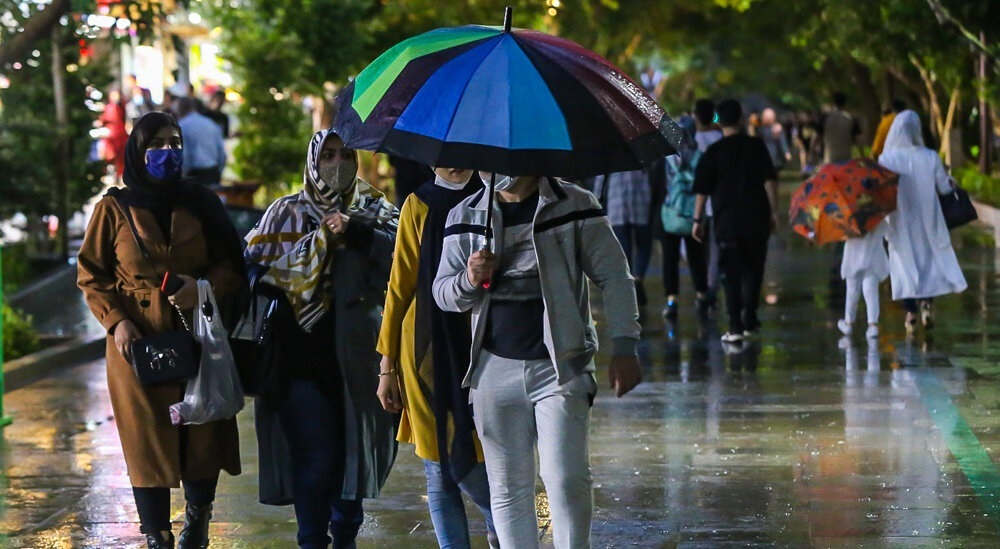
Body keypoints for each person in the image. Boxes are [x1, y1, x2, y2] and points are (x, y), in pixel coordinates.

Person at [433, 173, 642, 549]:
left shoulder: (575, 205)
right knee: (508, 486)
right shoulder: (465, 214)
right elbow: (443, 293)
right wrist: (469, 277)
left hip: (561, 366)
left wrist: (624, 346)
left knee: (565, 478)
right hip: (493, 368)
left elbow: (614, 276)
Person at [77, 112, 249, 549]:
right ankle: (156, 536)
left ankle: (198, 518)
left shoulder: (200, 202)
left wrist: (203, 287)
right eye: (157, 143)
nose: (167, 152)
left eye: (175, 142)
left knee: (202, 427)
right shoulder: (113, 208)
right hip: (137, 342)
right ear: (137, 149)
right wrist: (116, 323)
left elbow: (233, 264)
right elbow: (91, 274)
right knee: (146, 437)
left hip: (197, 332)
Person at [244, 129, 399, 549]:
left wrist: (358, 232)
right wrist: (313, 250)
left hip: (359, 355)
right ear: (313, 160)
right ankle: (312, 540)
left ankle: (344, 536)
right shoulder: (284, 212)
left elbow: (405, 262)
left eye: (346, 154)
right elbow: (254, 271)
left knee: (353, 456)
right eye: (327, 154)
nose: (337, 163)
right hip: (297, 357)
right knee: (315, 458)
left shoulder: (376, 210)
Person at [375, 167, 498, 549]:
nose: (452, 161)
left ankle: (506, 528)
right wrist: (387, 364)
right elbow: (400, 286)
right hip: (424, 349)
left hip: (484, 346)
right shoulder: (419, 203)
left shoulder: (493, 198)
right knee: (437, 466)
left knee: (475, 460)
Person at [691, 99, 779, 343]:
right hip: (756, 218)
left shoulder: (713, 153)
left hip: (726, 221)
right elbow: (769, 180)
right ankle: (750, 318)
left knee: (730, 275)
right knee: (754, 270)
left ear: (719, 122)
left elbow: (702, 189)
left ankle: (736, 327)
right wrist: (774, 212)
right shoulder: (756, 147)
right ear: (741, 119)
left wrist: (697, 219)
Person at [878, 110, 967, 335]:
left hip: (899, 220)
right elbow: (945, 189)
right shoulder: (930, 156)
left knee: (904, 265)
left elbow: (880, 192)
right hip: (928, 218)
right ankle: (927, 303)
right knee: (928, 263)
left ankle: (910, 313)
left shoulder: (886, 159)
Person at [660, 117, 710, 325]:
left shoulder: (668, 158)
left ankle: (672, 300)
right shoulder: (700, 157)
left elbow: (659, 186)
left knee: (670, 258)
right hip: (694, 214)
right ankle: (701, 296)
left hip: (671, 214)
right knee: (697, 256)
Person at [593, 168, 654, 306]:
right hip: (639, 202)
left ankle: (632, 284)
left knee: (627, 249)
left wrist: (595, 204)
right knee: (636, 246)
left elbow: (600, 182)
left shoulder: (611, 152)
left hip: (619, 205)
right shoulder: (640, 151)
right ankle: (635, 281)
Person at [692, 99, 724, 313]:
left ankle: (702, 290)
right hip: (716, 203)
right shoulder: (721, 140)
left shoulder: (691, 141)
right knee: (714, 250)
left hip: (691, 203)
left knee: (696, 251)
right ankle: (711, 289)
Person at [838, 221, 889, 339]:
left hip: (853, 258)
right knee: (870, 292)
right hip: (873, 258)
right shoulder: (878, 216)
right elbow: (887, 232)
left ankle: (848, 323)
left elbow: (841, 233)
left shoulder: (849, 217)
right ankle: (872, 324)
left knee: (852, 292)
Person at [175, 97, 227, 186]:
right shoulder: (211, 123)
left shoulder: (181, 126)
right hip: (212, 172)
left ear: (179, 110)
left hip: (193, 174)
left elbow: (184, 156)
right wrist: (218, 173)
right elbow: (222, 154)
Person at [821, 92, 863, 163]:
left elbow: (817, 137)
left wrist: (811, 154)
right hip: (846, 157)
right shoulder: (851, 118)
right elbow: (858, 139)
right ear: (845, 103)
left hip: (829, 158)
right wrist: (862, 155)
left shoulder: (825, 118)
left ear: (833, 103)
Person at [98, 87, 129, 181]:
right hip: (114, 135)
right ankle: (116, 174)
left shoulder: (119, 106)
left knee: (120, 156)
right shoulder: (112, 107)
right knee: (114, 156)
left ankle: (120, 174)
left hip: (119, 135)